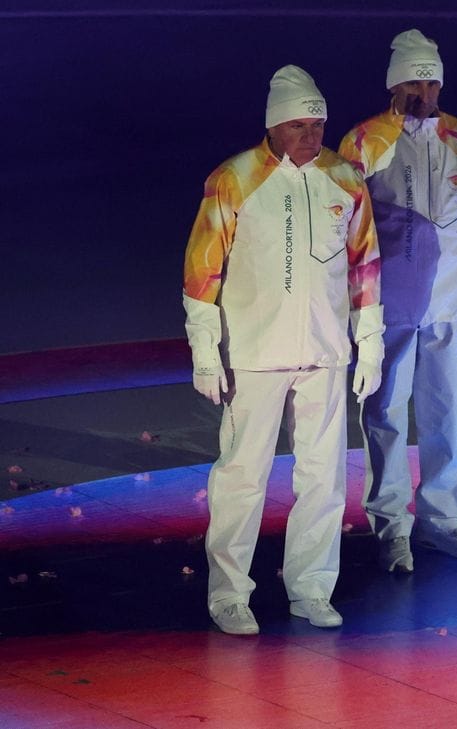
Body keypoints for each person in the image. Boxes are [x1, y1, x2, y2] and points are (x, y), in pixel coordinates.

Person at [183, 65, 383, 635]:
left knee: (323, 478)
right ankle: (228, 594)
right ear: (273, 126)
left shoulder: (344, 178)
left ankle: (312, 587)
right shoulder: (234, 178)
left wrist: (368, 344)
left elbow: (365, 265)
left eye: (317, 125)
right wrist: (205, 350)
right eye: (298, 126)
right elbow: (203, 270)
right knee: (242, 476)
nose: (310, 137)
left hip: (324, 353)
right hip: (253, 353)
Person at [338, 29, 457, 574]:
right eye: (413, 78)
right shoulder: (363, 141)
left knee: (450, 413)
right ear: (394, 82)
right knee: (385, 413)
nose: (423, 89)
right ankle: (391, 528)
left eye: (431, 79)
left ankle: (442, 522)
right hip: (391, 305)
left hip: (451, 303)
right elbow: (347, 227)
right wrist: (352, 305)